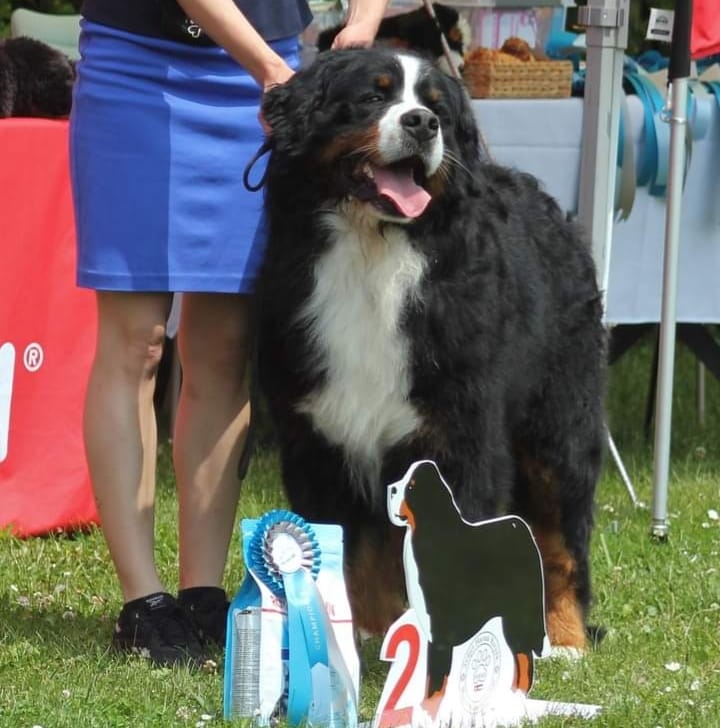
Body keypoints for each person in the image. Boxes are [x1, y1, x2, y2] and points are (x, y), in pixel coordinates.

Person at [70, 0, 389, 667]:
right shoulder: (263, 71)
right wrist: (271, 71)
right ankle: (143, 602)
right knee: (138, 342)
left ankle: (203, 595)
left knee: (224, 348)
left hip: (267, 79)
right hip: (141, 68)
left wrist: (362, 23)